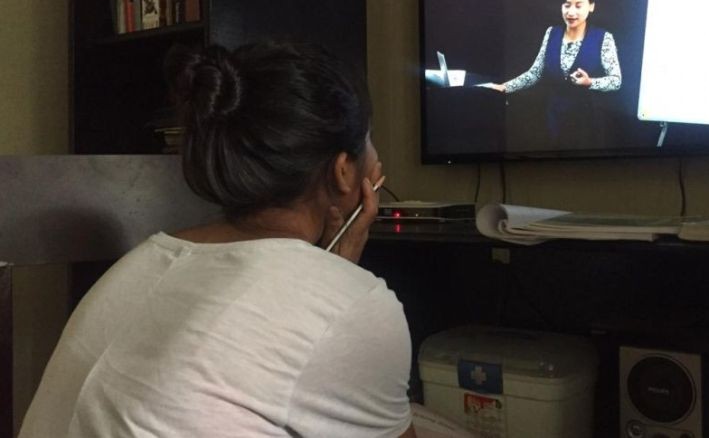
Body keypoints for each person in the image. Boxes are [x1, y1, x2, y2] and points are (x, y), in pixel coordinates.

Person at [19, 41, 419, 437]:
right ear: (344, 170)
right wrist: (340, 285)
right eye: (367, 137)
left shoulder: (147, 256)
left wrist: (334, 272)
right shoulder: (353, 305)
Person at [483, 0, 622, 147]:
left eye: (578, 6)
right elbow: (534, 73)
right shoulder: (552, 33)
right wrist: (504, 87)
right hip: (554, 117)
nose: (571, 12)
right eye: (566, 5)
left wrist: (590, 82)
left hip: (587, 121)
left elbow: (616, 80)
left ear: (591, 6)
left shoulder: (603, 38)